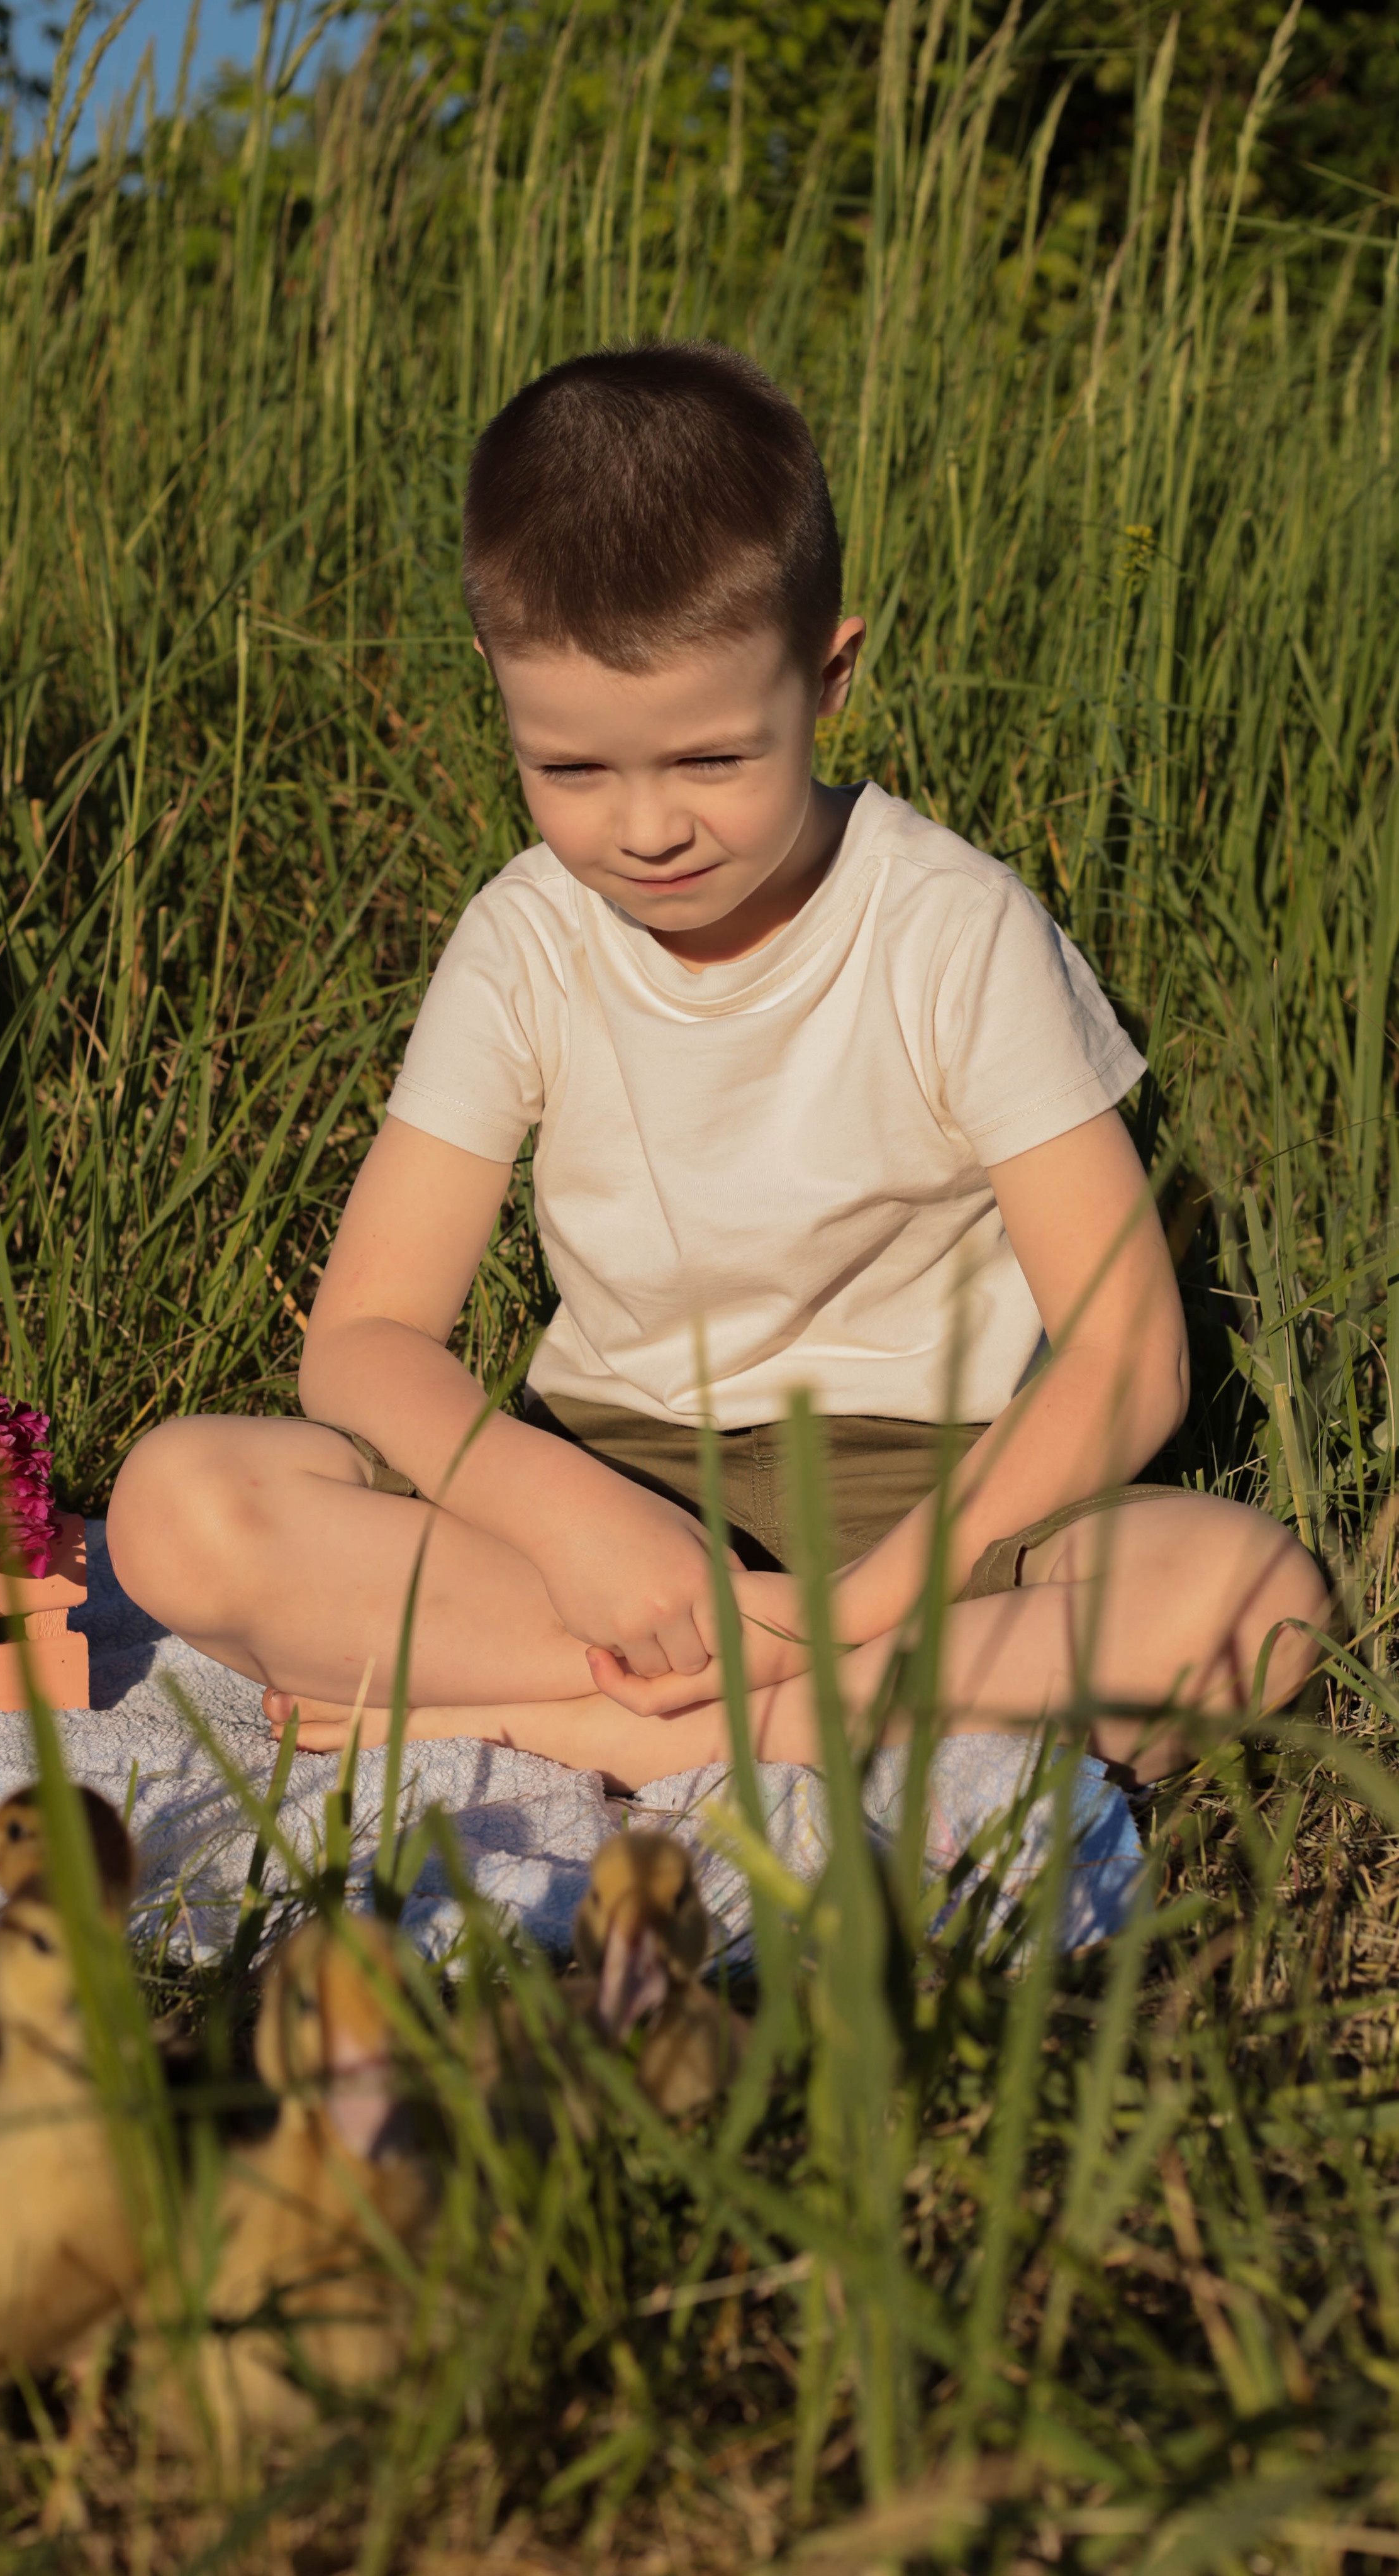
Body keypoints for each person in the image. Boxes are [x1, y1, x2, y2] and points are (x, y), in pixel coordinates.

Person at [106, 343, 1329, 1794]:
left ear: (828, 675)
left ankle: (569, 1725)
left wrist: (848, 1607)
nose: (645, 829)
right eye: (572, 769)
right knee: (177, 1503)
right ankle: (815, 1717)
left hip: (928, 1497)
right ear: (497, 689)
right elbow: (365, 1333)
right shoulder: (524, 936)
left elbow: (1127, 1356)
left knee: (1247, 1602)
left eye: (708, 761)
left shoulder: (951, 926)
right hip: (606, 1479)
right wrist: (566, 1517)